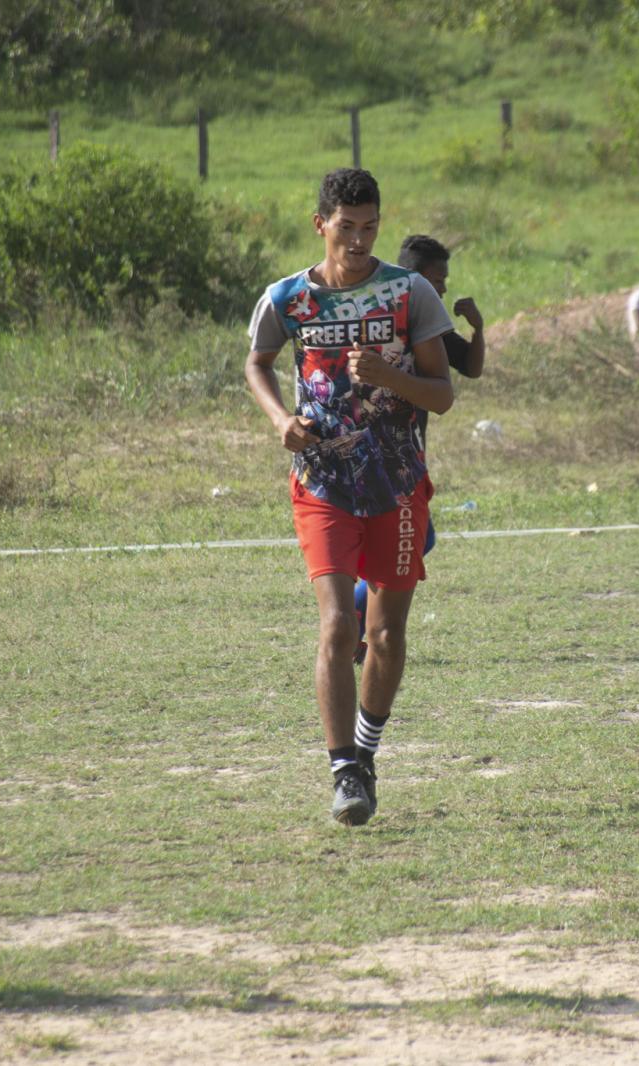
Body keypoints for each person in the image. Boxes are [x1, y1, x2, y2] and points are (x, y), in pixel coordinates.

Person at [244, 169, 454, 826]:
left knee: (386, 634)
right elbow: (257, 362)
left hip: (395, 483)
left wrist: (391, 375)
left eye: (370, 227)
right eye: (347, 227)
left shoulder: (408, 292)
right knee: (338, 625)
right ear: (321, 225)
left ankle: (365, 754)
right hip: (323, 482)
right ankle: (343, 771)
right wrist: (283, 421)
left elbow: (443, 393)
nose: (359, 239)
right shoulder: (288, 298)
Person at [352, 234, 485, 664]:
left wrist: (477, 329)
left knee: (416, 538)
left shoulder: (426, 319)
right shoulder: (382, 313)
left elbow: (470, 368)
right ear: (415, 277)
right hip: (376, 451)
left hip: (411, 452)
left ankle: (358, 623)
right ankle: (356, 619)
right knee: (410, 540)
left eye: (444, 281)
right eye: (437, 280)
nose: (443, 289)